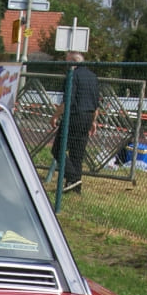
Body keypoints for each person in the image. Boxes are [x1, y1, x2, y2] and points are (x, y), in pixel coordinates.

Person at [62, 51, 100, 194]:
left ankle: (72, 177)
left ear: (73, 62)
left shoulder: (73, 76)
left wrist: (55, 116)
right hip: (88, 116)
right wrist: (94, 121)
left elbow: (68, 101)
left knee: (58, 148)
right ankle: (75, 187)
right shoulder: (92, 77)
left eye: (67, 63)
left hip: (75, 115)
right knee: (77, 153)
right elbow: (96, 102)